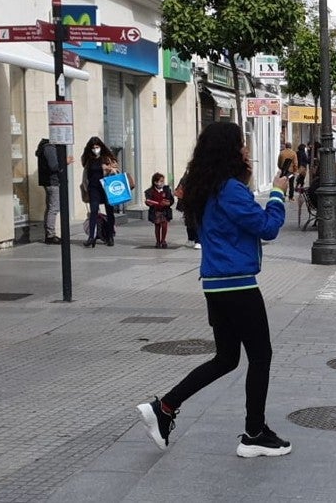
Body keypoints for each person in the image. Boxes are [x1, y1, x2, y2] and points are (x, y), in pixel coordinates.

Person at [135, 122, 292, 458]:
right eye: (241, 144)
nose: (246, 149)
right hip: (238, 284)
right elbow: (267, 228)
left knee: (226, 358)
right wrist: (277, 192)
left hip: (216, 283)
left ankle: (165, 407)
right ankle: (254, 433)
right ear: (228, 150)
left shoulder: (208, 187)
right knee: (260, 356)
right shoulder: (229, 189)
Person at [81, 136, 119, 248]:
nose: (95, 149)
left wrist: (109, 169)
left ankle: (110, 235)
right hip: (93, 188)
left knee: (109, 210)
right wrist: (85, 188)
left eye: (97, 147)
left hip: (106, 187)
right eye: (93, 147)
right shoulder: (89, 159)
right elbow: (86, 174)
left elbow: (116, 170)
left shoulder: (107, 158)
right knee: (93, 212)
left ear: (101, 147)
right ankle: (91, 237)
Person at [35, 138, 72, 245]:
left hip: (49, 181)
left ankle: (49, 233)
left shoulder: (46, 147)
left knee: (51, 207)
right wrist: (65, 161)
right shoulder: (49, 148)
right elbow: (54, 166)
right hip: (52, 181)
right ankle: (50, 235)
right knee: (54, 208)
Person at [144, 173, 175, 248]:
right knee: (157, 226)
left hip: (164, 210)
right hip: (156, 211)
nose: (162, 183)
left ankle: (163, 240)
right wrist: (148, 203)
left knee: (164, 225)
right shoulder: (150, 191)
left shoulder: (166, 189)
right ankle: (158, 241)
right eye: (160, 181)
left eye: (163, 181)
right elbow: (148, 201)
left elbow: (171, 200)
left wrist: (168, 203)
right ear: (155, 182)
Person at [175, 170, 199, 249]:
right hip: (187, 202)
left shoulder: (199, 178)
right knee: (189, 221)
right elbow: (178, 189)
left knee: (196, 221)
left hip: (196, 202)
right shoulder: (185, 178)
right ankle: (191, 239)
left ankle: (198, 241)